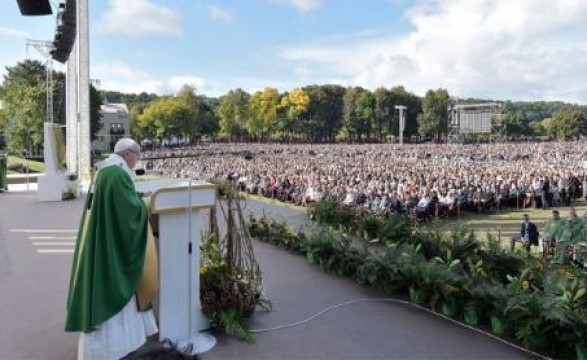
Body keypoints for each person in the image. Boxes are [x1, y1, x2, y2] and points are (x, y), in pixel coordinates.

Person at [65, 138, 158, 359]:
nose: (137, 160)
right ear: (128, 154)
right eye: (137, 154)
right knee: (115, 283)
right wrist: (146, 202)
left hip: (102, 236)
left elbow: (117, 203)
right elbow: (128, 213)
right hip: (113, 244)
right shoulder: (117, 174)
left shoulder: (106, 170)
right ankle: (116, 347)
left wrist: (135, 198)